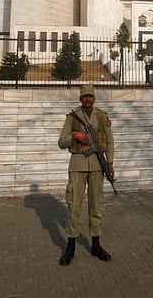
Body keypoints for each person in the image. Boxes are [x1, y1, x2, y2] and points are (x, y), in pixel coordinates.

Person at [57, 84, 115, 265]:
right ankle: (70, 246)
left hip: (98, 165)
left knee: (96, 206)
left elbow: (110, 140)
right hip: (78, 164)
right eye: (85, 96)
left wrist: (110, 162)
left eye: (90, 96)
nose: (88, 99)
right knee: (74, 206)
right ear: (80, 98)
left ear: (94, 98)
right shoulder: (72, 117)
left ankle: (96, 244)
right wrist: (75, 135)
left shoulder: (101, 116)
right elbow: (61, 142)